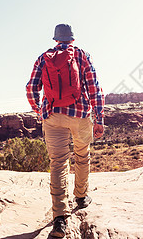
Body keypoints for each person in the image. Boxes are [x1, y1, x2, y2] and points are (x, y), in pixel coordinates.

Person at [26, 24, 104, 237]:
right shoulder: (81, 55)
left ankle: (60, 217)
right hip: (79, 115)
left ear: (55, 39)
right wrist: (99, 119)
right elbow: (94, 88)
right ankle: (81, 196)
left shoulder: (44, 57)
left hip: (52, 116)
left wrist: (40, 111)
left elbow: (31, 88)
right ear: (72, 38)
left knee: (58, 162)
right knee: (82, 154)